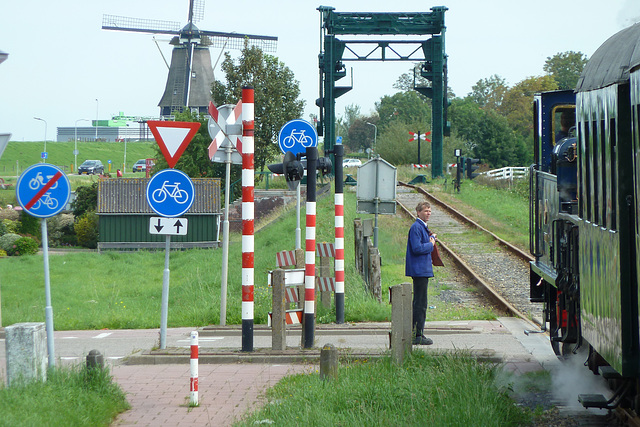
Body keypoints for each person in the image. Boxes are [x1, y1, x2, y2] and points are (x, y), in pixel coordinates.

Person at [405, 201, 436, 345]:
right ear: (418, 212)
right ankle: (417, 334)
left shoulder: (421, 227)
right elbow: (417, 248)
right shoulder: (416, 227)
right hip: (419, 270)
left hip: (422, 269)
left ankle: (418, 332)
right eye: (425, 211)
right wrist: (431, 244)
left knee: (421, 302)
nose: (428, 213)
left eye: (429, 211)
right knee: (420, 303)